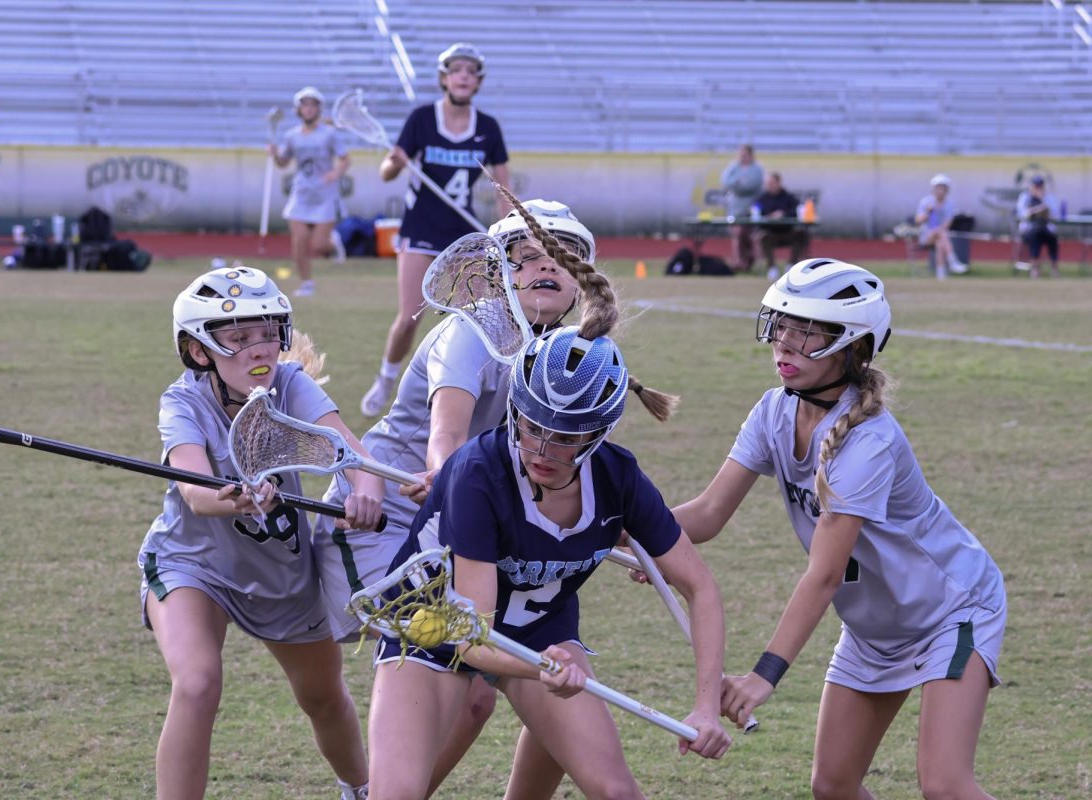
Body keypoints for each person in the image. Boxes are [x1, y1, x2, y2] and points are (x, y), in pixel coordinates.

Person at [670, 258, 1006, 799]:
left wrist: (763, 676)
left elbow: (824, 577)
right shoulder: (773, 410)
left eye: (807, 333)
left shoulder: (867, 442)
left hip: (951, 611)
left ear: (853, 347)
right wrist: (626, 531)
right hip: (878, 628)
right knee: (833, 787)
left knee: (945, 785)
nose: (785, 344)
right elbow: (707, 514)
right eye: (782, 326)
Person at [366, 325, 732, 800]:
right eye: (533, 425)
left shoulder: (619, 478)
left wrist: (706, 708)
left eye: (563, 436)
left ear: (598, 433)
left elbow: (700, 588)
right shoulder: (477, 472)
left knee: (617, 792)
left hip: (539, 632)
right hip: (436, 622)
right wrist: (542, 668)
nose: (541, 448)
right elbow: (472, 636)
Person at [316, 197, 593, 797]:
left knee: (475, 704)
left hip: (468, 528)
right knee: (442, 674)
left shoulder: (566, 354)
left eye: (562, 260)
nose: (545, 268)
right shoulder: (472, 331)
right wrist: (450, 485)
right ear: (499, 273)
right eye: (527, 258)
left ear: (582, 283)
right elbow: (445, 436)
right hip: (389, 518)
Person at [140, 265, 385, 800]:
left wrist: (365, 487)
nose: (260, 350)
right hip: (193, 564)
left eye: (268, 334)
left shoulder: (290, 385)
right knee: (198, 683)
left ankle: (360, 788)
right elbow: (196, 493)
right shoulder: (182, 403)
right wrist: (237, 497)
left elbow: (351, 453)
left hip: (282, 573)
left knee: (323, 697)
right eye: (238, 338)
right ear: (200, 350)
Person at [360, 42, 511, 418]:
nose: (463, 75)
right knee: (410, 315)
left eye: (470, 70)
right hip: (421, 229)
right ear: (444, 78)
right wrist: (394, 163)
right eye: (456, 69)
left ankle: (479, 389)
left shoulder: (488, 127)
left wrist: (507, 233)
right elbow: (387, 171)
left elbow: (501, 188)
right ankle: (385, 378)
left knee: (479, 318)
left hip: (465, 236)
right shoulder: (421, 119)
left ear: (478, 80)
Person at [269, 86, 351, 297]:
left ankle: (332, 245)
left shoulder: (329, 134)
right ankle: (306, 283)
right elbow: (282, 162)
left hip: (325, 195)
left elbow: (345, 159)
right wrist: (275, 154)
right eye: (305, 105)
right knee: (299, 242)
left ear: (318, 109)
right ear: (299, 109)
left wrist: (335, 173)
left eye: (312, 105)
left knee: (318, 244)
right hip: (301, 194)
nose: (308, 109)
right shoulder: (292, 136)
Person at [756, 171, 810, 281]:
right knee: (763, 237)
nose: (770, 185)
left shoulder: (789, 197)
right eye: (768, 183)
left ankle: (791, 266)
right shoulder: (762, 198)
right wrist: (769, 215)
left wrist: (783, 214)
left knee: (802, 235)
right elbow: (755, 212)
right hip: (770, 233)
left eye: (772, 183)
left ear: (779, 183)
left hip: (787, 232)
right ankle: (772, 268)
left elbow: (798, 211)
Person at [914, 174, 968, 280]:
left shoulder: (950, 204)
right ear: (933, 189)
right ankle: (952, 260)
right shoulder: (926, 202)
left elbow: (947, 224)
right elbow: (918, 221)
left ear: (947, 189)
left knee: (940, 241)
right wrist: (927, 213)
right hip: (926, 237)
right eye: (938, 188)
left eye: (943, 188)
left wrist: (939, 229)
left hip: (941, 236)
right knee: (940, 234)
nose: (940, 190)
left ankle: (941, 275)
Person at [721, 143, 764, 272]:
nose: (742, 157)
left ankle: (748, 260)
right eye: (741, 154)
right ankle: (739, 261)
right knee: (737, 234)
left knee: (747, 235)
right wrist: (739, 183)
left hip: (751, 209)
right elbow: (725, 182)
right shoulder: (733, 167)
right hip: (734, 209)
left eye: (745, 154)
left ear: (751, 155)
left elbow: (751, 186)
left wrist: (737, 185)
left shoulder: (757, 169)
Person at [1015, 175, 1060, 279]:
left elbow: (1055, 214)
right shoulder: (1025, 197)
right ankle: (1035, 268)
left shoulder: (1048, 197)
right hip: (1029, 230)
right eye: (1035, 186)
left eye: (1040, 186)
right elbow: (1022, 213)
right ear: (1031, 186)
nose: (1038, 188)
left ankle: (1054, 268)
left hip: (1045, 229)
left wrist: (1042, 201)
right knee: (1036, 236)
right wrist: (1037, 209)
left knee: (1053, 239)